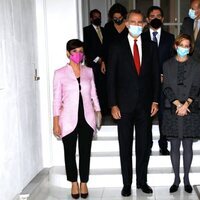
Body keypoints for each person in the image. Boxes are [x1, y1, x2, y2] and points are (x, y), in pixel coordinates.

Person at [107, 9, 160, 196]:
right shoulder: (115, 46)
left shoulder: (151, 46)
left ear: (144, 24)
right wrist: (113, 104)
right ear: (127, 23)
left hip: (146, 106)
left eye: (140, 23)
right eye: (133, 22)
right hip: (123, 106)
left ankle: (142, 181)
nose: (136, 25)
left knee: (144, 146)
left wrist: (155, 100)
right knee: (125, 146)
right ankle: (127, 183)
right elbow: (111, 78)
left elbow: (155, 76)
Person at [53, 39, 101, 199]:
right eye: (74, 52)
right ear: (68, 53)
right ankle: (73, 182)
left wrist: (98, 111)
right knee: (69, 152)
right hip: (67, 119)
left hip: (87, 118)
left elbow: (93, 93)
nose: (77, 54)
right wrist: (55, 123)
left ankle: (84, 182)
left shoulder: (88, 71)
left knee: (85, 152)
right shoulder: (59, 73)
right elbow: (56, 100)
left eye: (80, 51)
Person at [162, 34, 200, 194]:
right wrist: (178, 104)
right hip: (172, 109)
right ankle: (176, 179)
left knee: (188, 145)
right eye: (181, 45)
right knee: (175, 146)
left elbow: (197, 86)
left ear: (190, 48)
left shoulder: (197, 65)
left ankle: (186, 179)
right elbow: (167, 87)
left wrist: (186, 104)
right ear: (176, 46)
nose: (184, 48)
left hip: (190, 109)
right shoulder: (167, 64)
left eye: (187, 46)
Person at [142, 6, 175, 155]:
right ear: (148, 19)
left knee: (164, 115)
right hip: (146, 84)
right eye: (152, 15)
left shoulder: (170, 38)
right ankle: (147, 145)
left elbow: (172, 60)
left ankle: (163, 144)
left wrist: (165, 75)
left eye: (158, 15)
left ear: (162, 19)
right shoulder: (141, 38)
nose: (155, 18)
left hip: (164, 83)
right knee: (146, 116)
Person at [83, 9, 108, 116]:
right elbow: (87, 48)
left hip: (105, 64)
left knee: (105, 88)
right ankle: (95, 111)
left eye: (99, 16)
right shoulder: (86, 31)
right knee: (95, 88)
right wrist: (99, 60)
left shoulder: (104, 30)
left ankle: (105, 110)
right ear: (91, 18)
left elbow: (107, 46)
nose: (97, 18)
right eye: (95, 16)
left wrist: (105, 60)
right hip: (93, 65)